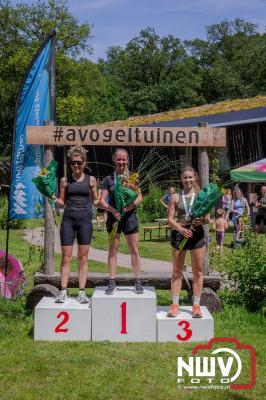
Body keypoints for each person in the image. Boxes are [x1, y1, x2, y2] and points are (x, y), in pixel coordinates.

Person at [52, 145, 98, 304]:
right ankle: (63, 291)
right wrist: (53, 198)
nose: (76, 165)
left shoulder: (91, 180)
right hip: (69, 220)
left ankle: (81, 292)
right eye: (73, 163)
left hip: (85, 221)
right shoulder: (64, 180)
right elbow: (62, 201)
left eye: (79, 162)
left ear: (84, 162)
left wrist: (108, 202)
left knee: (83, 257)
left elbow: (96, 200)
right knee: (66, 257)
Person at [167, 166, 211, 318]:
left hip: (196, 234)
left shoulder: (201, 196)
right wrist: (181, 229)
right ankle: (174, 305)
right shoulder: (175, 197)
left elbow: (207, 218)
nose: (187, 180)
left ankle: (196, 305)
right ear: (181, 179)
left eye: (190, 177)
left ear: (195, 178)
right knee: (177, 271)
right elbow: (170, 219)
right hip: (179, 234)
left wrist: (200, 222)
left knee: (197, 271)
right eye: (185, 177)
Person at [100, 148, 143, 295]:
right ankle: (111, 281)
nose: (121, 162)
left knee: (134, 250)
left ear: (127, 160)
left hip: (129, 217)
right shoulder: (108, 179)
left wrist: (131, 205)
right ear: (114, 159)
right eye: (119, 159)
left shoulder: (132, 177)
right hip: (114, 218)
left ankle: (137, 281)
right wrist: (112, 210)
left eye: (124, 159)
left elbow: (139, 197)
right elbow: (101, 201)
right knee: (113, 250)